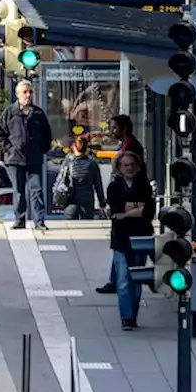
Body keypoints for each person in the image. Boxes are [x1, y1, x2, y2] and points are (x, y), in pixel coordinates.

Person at [96, 114, 148, 294]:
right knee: (120, 244)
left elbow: (145, 205)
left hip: (132, 203)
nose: (111, 131)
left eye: (115, 128)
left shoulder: (132, 147)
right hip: (123, 203)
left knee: (127, 247)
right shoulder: (125, 146)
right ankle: (115, 279)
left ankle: (118, 280)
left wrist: (126, 209)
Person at [0, 79, 53, 231]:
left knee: (36, 190)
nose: (28, 95)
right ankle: (19, 220)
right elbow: (0, 135)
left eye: (30, 92)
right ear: (18, 95)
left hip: (34, 159)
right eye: (25, 92)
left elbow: (47, 136)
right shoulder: (9, 113)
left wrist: (41, 150)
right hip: (15, 159)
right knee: (19, 191)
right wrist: (9, 149)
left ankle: (39, 221)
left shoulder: (38, 114)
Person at [106, 151, 155, 330]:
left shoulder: (144, 186)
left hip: (141, 237)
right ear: (119, 168)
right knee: (123, 279)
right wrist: (136, 208)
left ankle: (133, 315)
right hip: (121, 238)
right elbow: (116, 209)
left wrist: (126, 212)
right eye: (125, 165)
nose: (129, 168)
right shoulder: (114, 187)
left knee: (137, 277)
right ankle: (126, 317)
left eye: (132, 165)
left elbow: (148, 211)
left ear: (138, 166)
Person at [54, 134, 107, 219]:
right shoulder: (92, 164)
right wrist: (102, 203)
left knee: (71, 228)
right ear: (87, 148)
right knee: (87, 227)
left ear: (74, 147)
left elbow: (60, 180)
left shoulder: (68, 163)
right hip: (87, 201)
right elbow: (98, 185)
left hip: (71, 200)